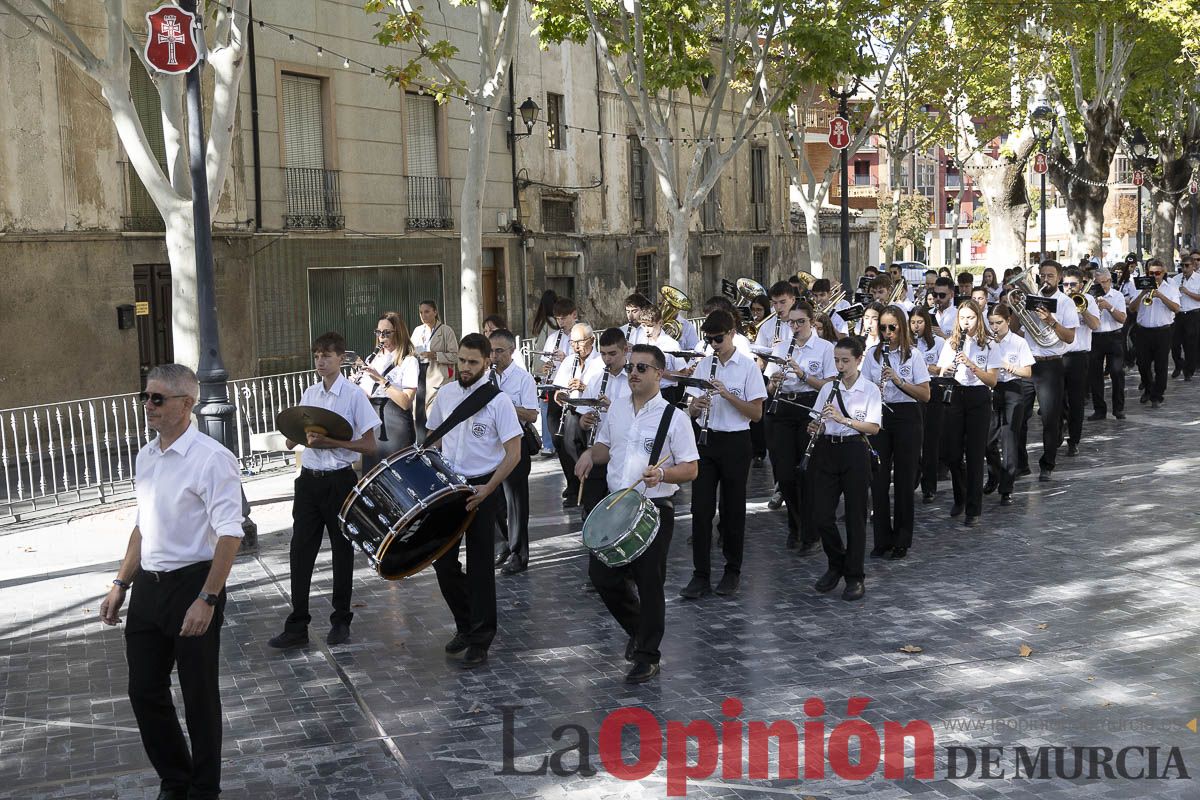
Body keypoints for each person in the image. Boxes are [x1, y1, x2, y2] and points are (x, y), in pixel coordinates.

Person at [99, 364, 245, 800]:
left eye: (158, 398)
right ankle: (176, 780)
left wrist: (207, 598)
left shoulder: (212, 458)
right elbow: (144, 527)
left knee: (199, 696)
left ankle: (204, 790)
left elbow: (230, 533)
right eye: (145, 396)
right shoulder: (146, 456)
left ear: (187, 404)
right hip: (149, 587)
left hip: (193, 584)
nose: (149, 405)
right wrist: (120, 583)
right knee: (144, 690)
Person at [574, 344, 700, 683]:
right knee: (602, 577)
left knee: (649, 582)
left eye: (642, 368)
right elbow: (604, 447)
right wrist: (589, 454)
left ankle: (648, 655)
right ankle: (638, 629)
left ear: (659, 373)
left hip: (653, 508)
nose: (633, 372)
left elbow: (690, 469)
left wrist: (663, 474)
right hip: (617, 504)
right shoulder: (616, 408)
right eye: (631, 366)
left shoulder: (675, 417)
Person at [269, 332, 380, 650]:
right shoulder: (309, 392)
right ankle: (297, 624)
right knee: (300, 550)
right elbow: (295, 438)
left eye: (327, 355)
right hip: (309, 480)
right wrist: (294, 436)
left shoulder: (354, 395)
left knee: (342, 552)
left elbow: (369, 445)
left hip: (339, 480)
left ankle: (341, 620)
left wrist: (332, 442)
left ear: (341, 358)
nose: (320, 360)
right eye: (317, 354)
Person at [428, 334, 523, 668]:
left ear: (486, 362)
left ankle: (481, 639)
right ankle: (466, 624)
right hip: (450, 487)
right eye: (462, 361)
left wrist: (489, 488)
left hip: (484, 485)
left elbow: (514, 453)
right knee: (442, 562)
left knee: (481, 566)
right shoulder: (446, 394)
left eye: (472, 362)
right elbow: (434, 440)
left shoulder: (499, 402)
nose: (465, 367)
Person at [680, 310, 766, 599]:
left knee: (732, 509)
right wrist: (696, 406)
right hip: (705, 442)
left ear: (731, 334)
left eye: (718, 338)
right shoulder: (705, 366)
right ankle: (700, 575)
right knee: (700, 509)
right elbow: (689, 409)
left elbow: (756, 415)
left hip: (736, 442)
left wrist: (727, 395)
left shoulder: (748, 368)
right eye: (709, 339)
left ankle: (732, 571)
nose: (714, 344)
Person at [809, 337, 882, 602]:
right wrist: (815, 427)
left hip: (855, 451)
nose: (840, 365)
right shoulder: (828, 388)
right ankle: (836, 562)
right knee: (821, 515)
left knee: (855, 517)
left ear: (858, 359)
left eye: (845, 361)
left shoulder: (870, 389)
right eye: (837, 360)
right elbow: (816, 419)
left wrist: (844, 420)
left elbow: (873, 427)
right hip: (828, 450)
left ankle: (854, 576)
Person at [764, 302, 836, 552]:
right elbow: (769, 389)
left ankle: (809, 533)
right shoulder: (782, 347)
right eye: (791, 323)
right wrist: (774, 382)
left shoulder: (826, 348)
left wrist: (803, 375)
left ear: (811, 320)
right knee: (784, 474)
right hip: (782, 408)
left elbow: (829, 385)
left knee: (807, 473)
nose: (794, 327)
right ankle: (796, 525)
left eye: (800, 322)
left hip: (808, 408)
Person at [862, 306, 930, 560]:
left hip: (907, 416)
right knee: (878, 480)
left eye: (893, 327)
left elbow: (925, 394)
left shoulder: (913, 355)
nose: (887, 332)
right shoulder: (872, 354)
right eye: (883, 328)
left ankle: (902, 539)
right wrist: (874, 390)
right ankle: (882, 539)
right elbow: (864, 388)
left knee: (903, 480)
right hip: (880, 416)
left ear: (901, 327)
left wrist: (899, 382)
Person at [937, 300, 998, 527]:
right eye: (962, 318)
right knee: (952, 453)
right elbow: (942, 371)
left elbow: (992, 380)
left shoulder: (989, 344)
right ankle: (960, 496)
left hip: (979, 397)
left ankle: (974, 508)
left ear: (978, 318)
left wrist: (971, 365)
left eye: (970, 317)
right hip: (955, 395)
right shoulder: (951, 343)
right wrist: (948, 369)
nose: (966, 322)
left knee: (974, 454)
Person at [488, 329, 539, 575]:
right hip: (489, 446)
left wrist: (503, 403)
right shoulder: (485, 377)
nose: (494, 356)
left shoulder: (523, 378)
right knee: (493, 498)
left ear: (512, 351)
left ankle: (520, 554)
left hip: (515, 444)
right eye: (492, 351)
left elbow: (531, 414)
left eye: (500, 351)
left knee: (515, 502)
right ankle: (502, 545)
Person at [1026, 260, 1079, 481]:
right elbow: (1018, 330)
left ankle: (1047, 463)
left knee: (1050, 418)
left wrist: (1051, 321)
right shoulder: (1031, 299)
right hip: (1027, 363)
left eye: (1050, 275)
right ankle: (1019, 464)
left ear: (1058, 278)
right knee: (1018, 416)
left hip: (1051, 363)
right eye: (1043, 275)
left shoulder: (1065, 303)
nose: (1046, 279)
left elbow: (1070, 337)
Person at [983, 305, 1034, 507]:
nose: (995, 327)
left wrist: (1005, 365)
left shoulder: (1019, 342)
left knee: (1009, 439)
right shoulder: (986, 342)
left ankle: (1006, 488)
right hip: (992, 389)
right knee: (987, 439)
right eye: (991, 323)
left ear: (1009, 320)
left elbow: (1027, 372)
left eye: (999, 323)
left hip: (1012, 389)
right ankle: (995, 474)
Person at [577, 328, 631, 516]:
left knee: (622, 509)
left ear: (625, 351)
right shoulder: (596, 378)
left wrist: (612, 407)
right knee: (592, 508)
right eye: (603, 354)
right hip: (600, 448)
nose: (607, 359)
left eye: (613, 354)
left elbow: (640, 415)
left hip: (626, 451)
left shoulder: (636, 379)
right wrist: (585, 421)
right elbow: (583, 417)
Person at [359, 312, 420, 472]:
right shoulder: (373, 359)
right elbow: (366, 395)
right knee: (372, 473)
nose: (381, 337)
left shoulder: (409, 361)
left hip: (396, 422)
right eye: (378, 332)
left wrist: (381, 380)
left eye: (386, 333)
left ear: (398, 333)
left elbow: (406, 402)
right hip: (373, 420)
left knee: (398, 472)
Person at [552, 322, 602, 507]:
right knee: (567, 447)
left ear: (592, 340)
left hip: (591, 412)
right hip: (572, 410)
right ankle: (575, 486)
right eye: (573, 343)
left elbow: (601, 392)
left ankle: (587, 487)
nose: (576, 347)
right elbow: (559, 389)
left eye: (580, 342)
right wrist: (560, 395)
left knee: (584, 449)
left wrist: (584, 387)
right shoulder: (569, 361)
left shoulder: (600, 362)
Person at [1129, 258, 1182, 408]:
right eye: (1151, 273)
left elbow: (1176, 309)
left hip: (1163, 332)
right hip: (1143, 331)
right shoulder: (1139, 286)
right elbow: (1132, 309)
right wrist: (1142, 294)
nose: (1154, 276)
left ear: (1163, 273)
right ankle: (1148, 387)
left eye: (1157, 273)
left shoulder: (1170, 288)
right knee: (1142, 364)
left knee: (1161, 365)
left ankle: (1157, 395)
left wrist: (1161, 296)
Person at [1061, 267, 1098, 456]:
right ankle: (1059, 428)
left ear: (1081, 285)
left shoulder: (1088, 300)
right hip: (1058, 356)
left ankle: (1074, 440)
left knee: (1076, 401)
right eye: (1065, 284)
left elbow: (1095, 325)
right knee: (1056, 400)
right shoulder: (1058, 300)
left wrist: (1082, 310)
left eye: (1072, 284)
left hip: (1078, 356)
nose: (1068, 288)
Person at [910, 307, 945, 504]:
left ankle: (929, 486)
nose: (916, 326)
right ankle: (913, 477)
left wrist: (924, 364)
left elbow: (943, 367)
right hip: (913, 390)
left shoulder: (938, 342)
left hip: (933, 389)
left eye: (920, 322)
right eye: (913, 322)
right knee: (914, 439)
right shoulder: (907, 343)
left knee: (931, 441)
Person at [412, 300, 459, 444]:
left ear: (435, 312)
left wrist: (435, 355)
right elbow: (411, 351)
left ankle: (436, 447)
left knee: (435, 415)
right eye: (421, 312)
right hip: (420, 374)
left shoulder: (446, 331)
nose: (423, 315)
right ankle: (420, 447)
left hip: (439, 377)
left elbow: (455, 355)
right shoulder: (418, 331)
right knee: (418, 412)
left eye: (427, 311)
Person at [1088, 267, 1128, 420]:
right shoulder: (1089, 297)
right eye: (1098, 283)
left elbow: (1123, 319)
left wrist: (1109, 307)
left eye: (1104, 282)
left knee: (1117, 372)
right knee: (1095, 375)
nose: (1102, 286)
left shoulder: (1117, 296)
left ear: (1110, 281)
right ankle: (1099, 409)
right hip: (1095, 337)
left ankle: (1118, 408)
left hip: (1114, 337)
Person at [531, 290, 560, 455]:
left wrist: (538, 370)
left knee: (545, 408)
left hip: (545, 371)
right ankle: (552, 442)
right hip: (553, 371)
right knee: (552, 408)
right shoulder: (554, 324)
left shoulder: (543, 324)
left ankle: (548, 444)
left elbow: (540, 350)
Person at [1170, 251, 1200, 380]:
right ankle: (1179, 363)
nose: (1184, 268)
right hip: (1179, 315)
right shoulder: (1176, 279)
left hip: (1193, 315)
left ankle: (1189, 371)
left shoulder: (1198, 279)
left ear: (1193, 266)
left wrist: (1187, 292)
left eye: (1187, 266)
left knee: (1190, 345)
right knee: (1174, 344)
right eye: (1182, 266)